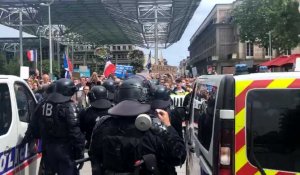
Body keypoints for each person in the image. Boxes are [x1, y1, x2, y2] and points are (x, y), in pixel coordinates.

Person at [89, 78, 186, 175]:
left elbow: (95, 159)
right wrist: (168, 126)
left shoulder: (102, 125)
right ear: (147, 97)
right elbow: (178, 157)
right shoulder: (155, 128)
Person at [36, 78, 85, 175]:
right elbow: (75, 132)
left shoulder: (45, 104)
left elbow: (38, 124)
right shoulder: (69, 106)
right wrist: (80, 152)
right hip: (65, 150)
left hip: (49, 148)